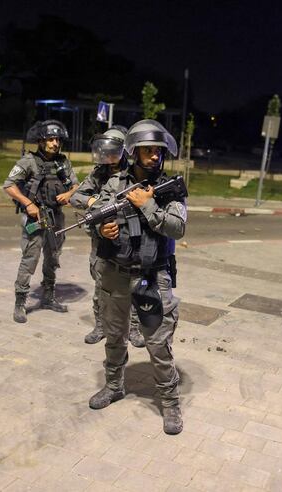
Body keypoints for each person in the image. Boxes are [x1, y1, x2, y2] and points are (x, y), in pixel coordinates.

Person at [87, 119, 187, 435]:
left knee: (158, 343)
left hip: (153, 276)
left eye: (158, 151)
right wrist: (103, 228)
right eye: (147, 150)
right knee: (115, 335)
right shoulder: (115, 184)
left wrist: (148, 206)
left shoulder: (170, 189)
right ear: (134, 151)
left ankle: (170, 404)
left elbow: (177, 228)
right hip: (115, 273)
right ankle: (114, 385)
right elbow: (94, 218)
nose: (154, 156)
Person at [70, 126, 146, 348]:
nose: (109, 156)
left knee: (134, 285)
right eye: (106, 151)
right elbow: (76, 197)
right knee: (101, 286)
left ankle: (133, 329)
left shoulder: (133, 173)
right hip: (101, 238)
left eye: (114, 151)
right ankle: (101, 326)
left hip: (129, 237)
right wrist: (96, 203)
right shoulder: (99, 173)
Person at [3, 120, 79, 323]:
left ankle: (48, 296)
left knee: (53, 256)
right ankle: (20, 302)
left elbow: (76, 185)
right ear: (41, 141)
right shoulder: (28, 161)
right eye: (51, 139)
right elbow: (9, 185)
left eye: (57, 139)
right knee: (30, 258)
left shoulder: (63, 162)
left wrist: (69, 194)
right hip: (36, 217)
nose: (55, 143)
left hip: (56, 216)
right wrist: (28, 203)